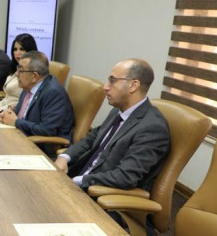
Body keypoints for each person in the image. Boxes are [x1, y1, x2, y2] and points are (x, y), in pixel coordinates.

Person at [55, 58, 170, 192]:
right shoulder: (118, 110)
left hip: (98, 194)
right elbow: (92, 138)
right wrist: (65, 157)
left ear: (133, 85)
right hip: (77, 177)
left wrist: (78, 181)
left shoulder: (153, 128)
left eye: (112, 80)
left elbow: (125, 177)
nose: (105, 87)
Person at [0, 51, 74, 155]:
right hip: (21, 137)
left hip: (42, 148)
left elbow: (46, 130)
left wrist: (16, 122)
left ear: (34, 76)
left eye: (21, 70)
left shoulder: (53, 93)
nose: (16, 74)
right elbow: (24, 114)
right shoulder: (28, 85)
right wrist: (11, 113)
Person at [0, 33, 36, 112]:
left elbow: (24, 102)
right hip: (3, 108)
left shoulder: (31, 73)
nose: (17, 53)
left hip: (14, 112)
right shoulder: (15, 67)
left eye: (22, 49)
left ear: (30, 51)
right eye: (15, 49)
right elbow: (7, 98)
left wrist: (1, 110)